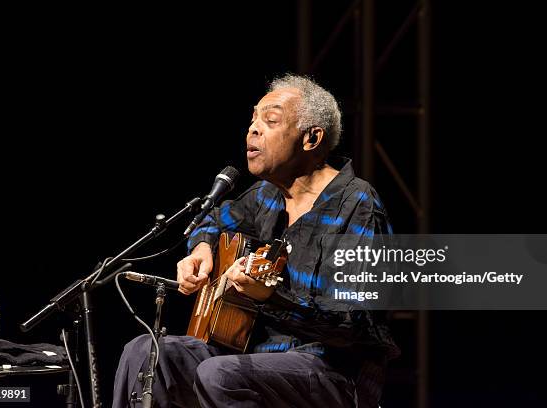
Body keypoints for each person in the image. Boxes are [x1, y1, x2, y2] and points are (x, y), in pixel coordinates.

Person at [113, 74, 399, 408]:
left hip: (332, 371)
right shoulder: (266, 196)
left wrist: (270, 298)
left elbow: (356, 325)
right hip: (254, 356)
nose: (253, 129)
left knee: (220, 374)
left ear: (311, 138)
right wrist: (201, 247)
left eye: (271, 120)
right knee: (146, 353)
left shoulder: (357, 204)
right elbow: (214, 219)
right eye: (252, 120)